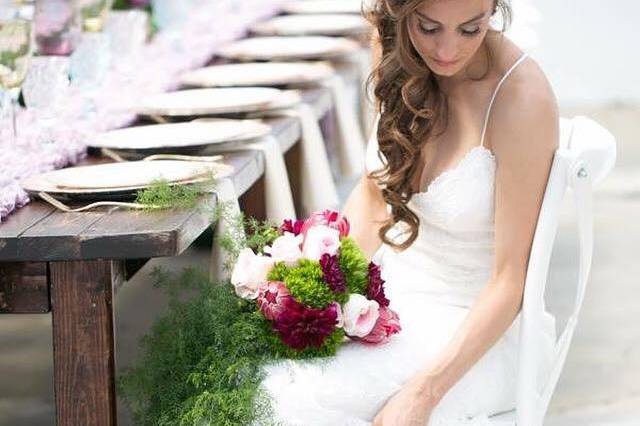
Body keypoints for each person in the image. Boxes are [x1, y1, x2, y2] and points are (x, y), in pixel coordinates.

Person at [256, 0, 558, 424]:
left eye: (470, 29)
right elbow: (374, 198)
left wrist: (424, 391)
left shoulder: (520, 98)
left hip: (479, 333)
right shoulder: (395, 48)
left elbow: (510, 282)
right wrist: (318, 294)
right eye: (429, 27)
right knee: (259, 369)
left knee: (290, 398)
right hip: (392, 302)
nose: (448, 50)